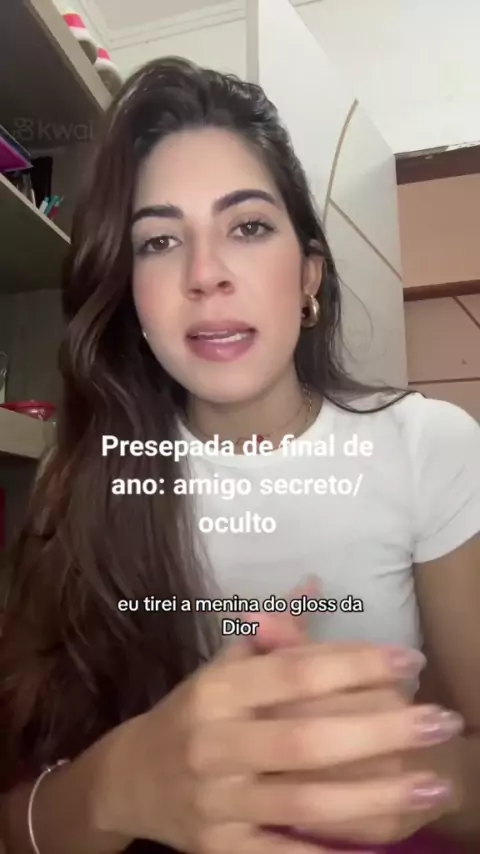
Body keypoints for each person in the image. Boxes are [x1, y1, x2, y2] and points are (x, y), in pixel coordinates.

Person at [0, 56, 479, 854]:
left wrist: (416, 772)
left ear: (309, 276)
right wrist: (114, 785)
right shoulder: (76, 480)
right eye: (159, 240)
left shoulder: (431, 446)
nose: (205, 275)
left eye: (248, 227)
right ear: (132, 298)